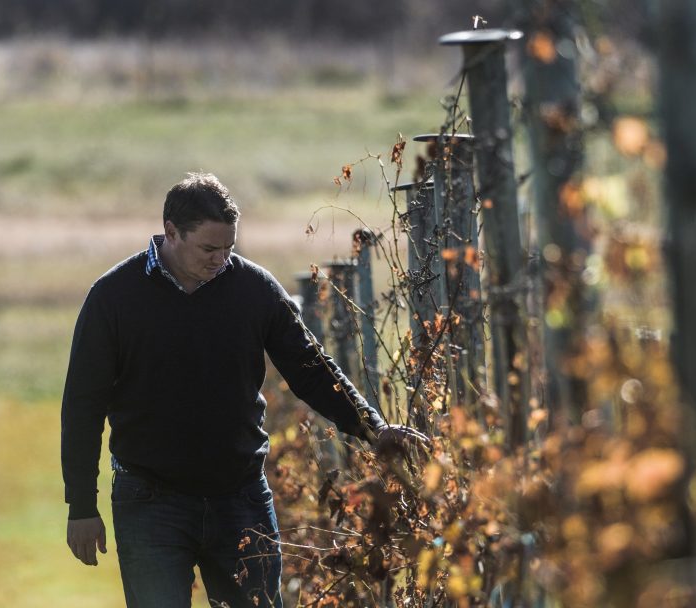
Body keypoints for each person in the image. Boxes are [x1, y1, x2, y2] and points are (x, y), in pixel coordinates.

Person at [61, 172, 429, 608]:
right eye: (209, 249)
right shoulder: (113, 298)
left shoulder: (254, 289)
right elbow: (83, 406)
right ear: (171, 232)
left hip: (241, 499)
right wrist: (82, 506)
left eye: (229, 248)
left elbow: (311, 369)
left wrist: (373, 426)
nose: (220, 259)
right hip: (149, 502)